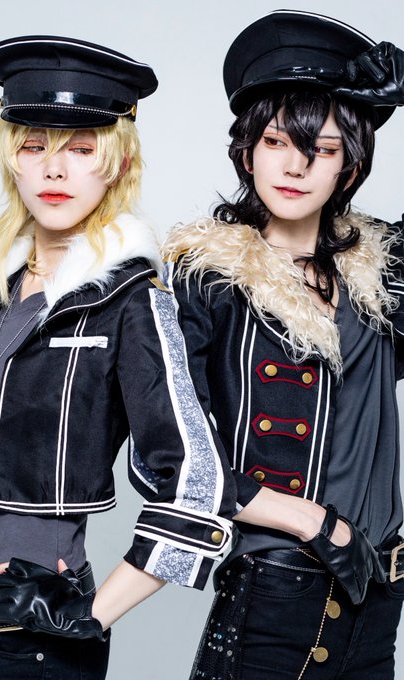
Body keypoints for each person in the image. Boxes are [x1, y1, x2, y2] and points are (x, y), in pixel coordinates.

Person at [0, 35, 236, 679]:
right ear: (12, 161)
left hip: (20, 642)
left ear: (117, 165)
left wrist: (87, 615)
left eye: (81, 151)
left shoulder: (132, 301)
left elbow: (198, 485)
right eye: (34, 147)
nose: (54, 171)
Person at [162, 9, 404, 680]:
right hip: (277, 595)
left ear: (348, 168)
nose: (295, 165)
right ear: (247, 152)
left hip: (379, 601)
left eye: (321, 149)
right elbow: (170, 459)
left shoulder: (382, 274)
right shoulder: (207, 282)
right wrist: (314, 523)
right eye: (275, 141)